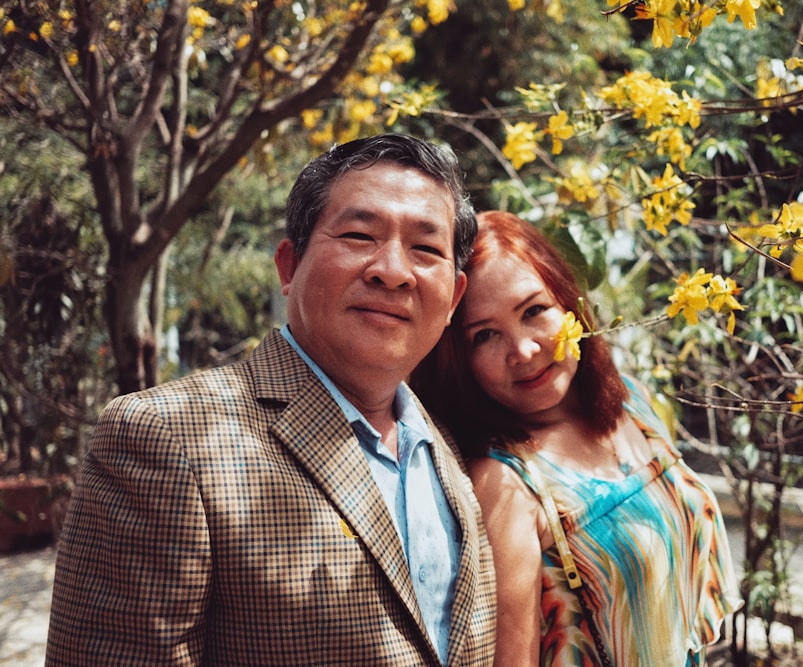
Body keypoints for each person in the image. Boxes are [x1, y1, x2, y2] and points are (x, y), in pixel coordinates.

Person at [45, 134, 497, 667]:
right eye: (359, 234)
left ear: (454, 299)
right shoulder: (166, 436)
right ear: (289, 267)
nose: (393, 270)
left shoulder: (440, 444)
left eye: (426, 249)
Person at [411, 210, 741, 667]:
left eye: (534, 311)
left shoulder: (632, 403)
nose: (523, 351)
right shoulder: (504, 484)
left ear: (570, 305)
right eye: (485, 335)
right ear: (459, 360)